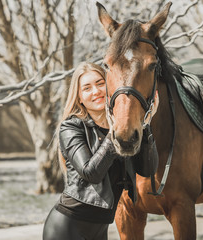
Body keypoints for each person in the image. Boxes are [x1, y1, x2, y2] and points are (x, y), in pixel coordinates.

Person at [43, 62, 159, 240]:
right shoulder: (71, 127)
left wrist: (146, 125)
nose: (96, 91)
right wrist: (114, 133)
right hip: (67, 227)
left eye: (100, 83)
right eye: (87, 88)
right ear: (80, 97)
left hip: (100, 229)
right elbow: (91, 173)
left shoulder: (123, 129)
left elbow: (147, 169)